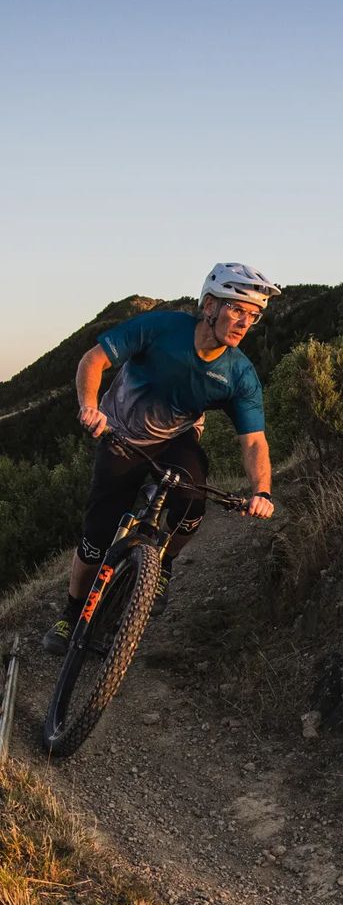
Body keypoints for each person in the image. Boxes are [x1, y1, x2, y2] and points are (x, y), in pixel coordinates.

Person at [42, 263, 281, 655]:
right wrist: (89, 408)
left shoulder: (240, 374)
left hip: (175, 439)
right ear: (209, 304)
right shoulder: (160, 328)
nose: (244, 322)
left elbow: (254, 442)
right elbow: (93, 360)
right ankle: (70, 616)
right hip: (119, 434)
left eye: (253, 315)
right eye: (237, 309)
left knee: (192, 500)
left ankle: (163, 564)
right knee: (96, 538)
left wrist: (263, 492)